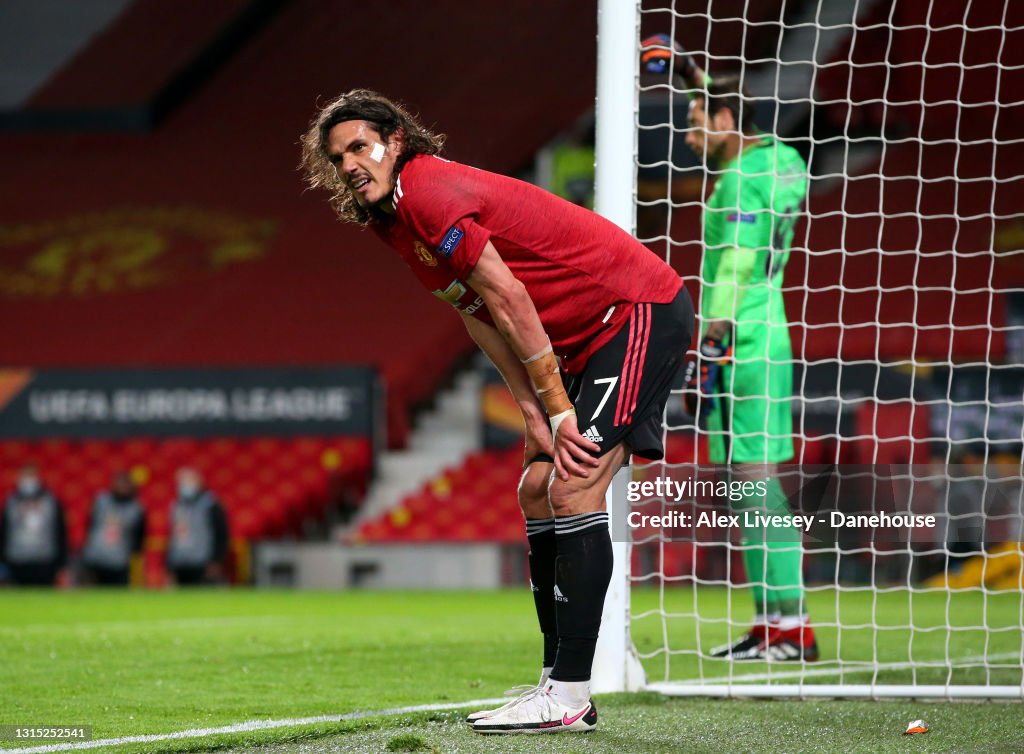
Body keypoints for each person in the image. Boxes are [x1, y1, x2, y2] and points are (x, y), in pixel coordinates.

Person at [301, 90, 694, 734]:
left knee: (573, 483)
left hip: (634, 311)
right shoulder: (395, 222)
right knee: (537, 486)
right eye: (338, 156)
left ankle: (569, 699)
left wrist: (561, 409)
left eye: (359, 146)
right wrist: (534, 412)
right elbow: (478, 313)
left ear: (396, 141)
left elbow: (510, 295)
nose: (349, 164)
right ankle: (555, 683)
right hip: (586, 340)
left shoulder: (427, 191)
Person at [642, 34, 817, 661]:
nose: (689, 139)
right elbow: (734, 117)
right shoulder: (781, 164)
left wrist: (710, 341)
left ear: (724, 121)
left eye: (695, 124)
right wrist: (690, 72)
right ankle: (772, 624)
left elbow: (737, 263)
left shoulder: (741, 179)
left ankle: (792, 629)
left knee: (757, 485)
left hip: (741, 334)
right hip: (770, 327)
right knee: (748, 486)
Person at [0, 463, 68, 586]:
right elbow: (4, 531)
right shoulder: (11, 501)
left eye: (31, 475)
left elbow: (60, 531)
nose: (28, 480)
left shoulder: (50, 500)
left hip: (45, 560)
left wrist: (61, 562)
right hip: (16, 559)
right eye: (25, 475)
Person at [165, 467, 229, 586]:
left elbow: (221, 534)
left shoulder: (211, 504)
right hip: (179, 561)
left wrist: (216, 559)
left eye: (189, 481)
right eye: (182, 482)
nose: (185, 486)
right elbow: (173, 537)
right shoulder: (176, 505)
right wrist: (169, 563)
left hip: (202, 562)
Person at [81, 470, 147, 586]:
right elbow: (90, 525)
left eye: (124, 484)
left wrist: (134, 556)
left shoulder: (136, 508)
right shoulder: (101, 501)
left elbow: (139, 536)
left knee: (118, 597)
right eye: (118, 483)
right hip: (96, 557)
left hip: (120, 561)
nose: (121, 487)